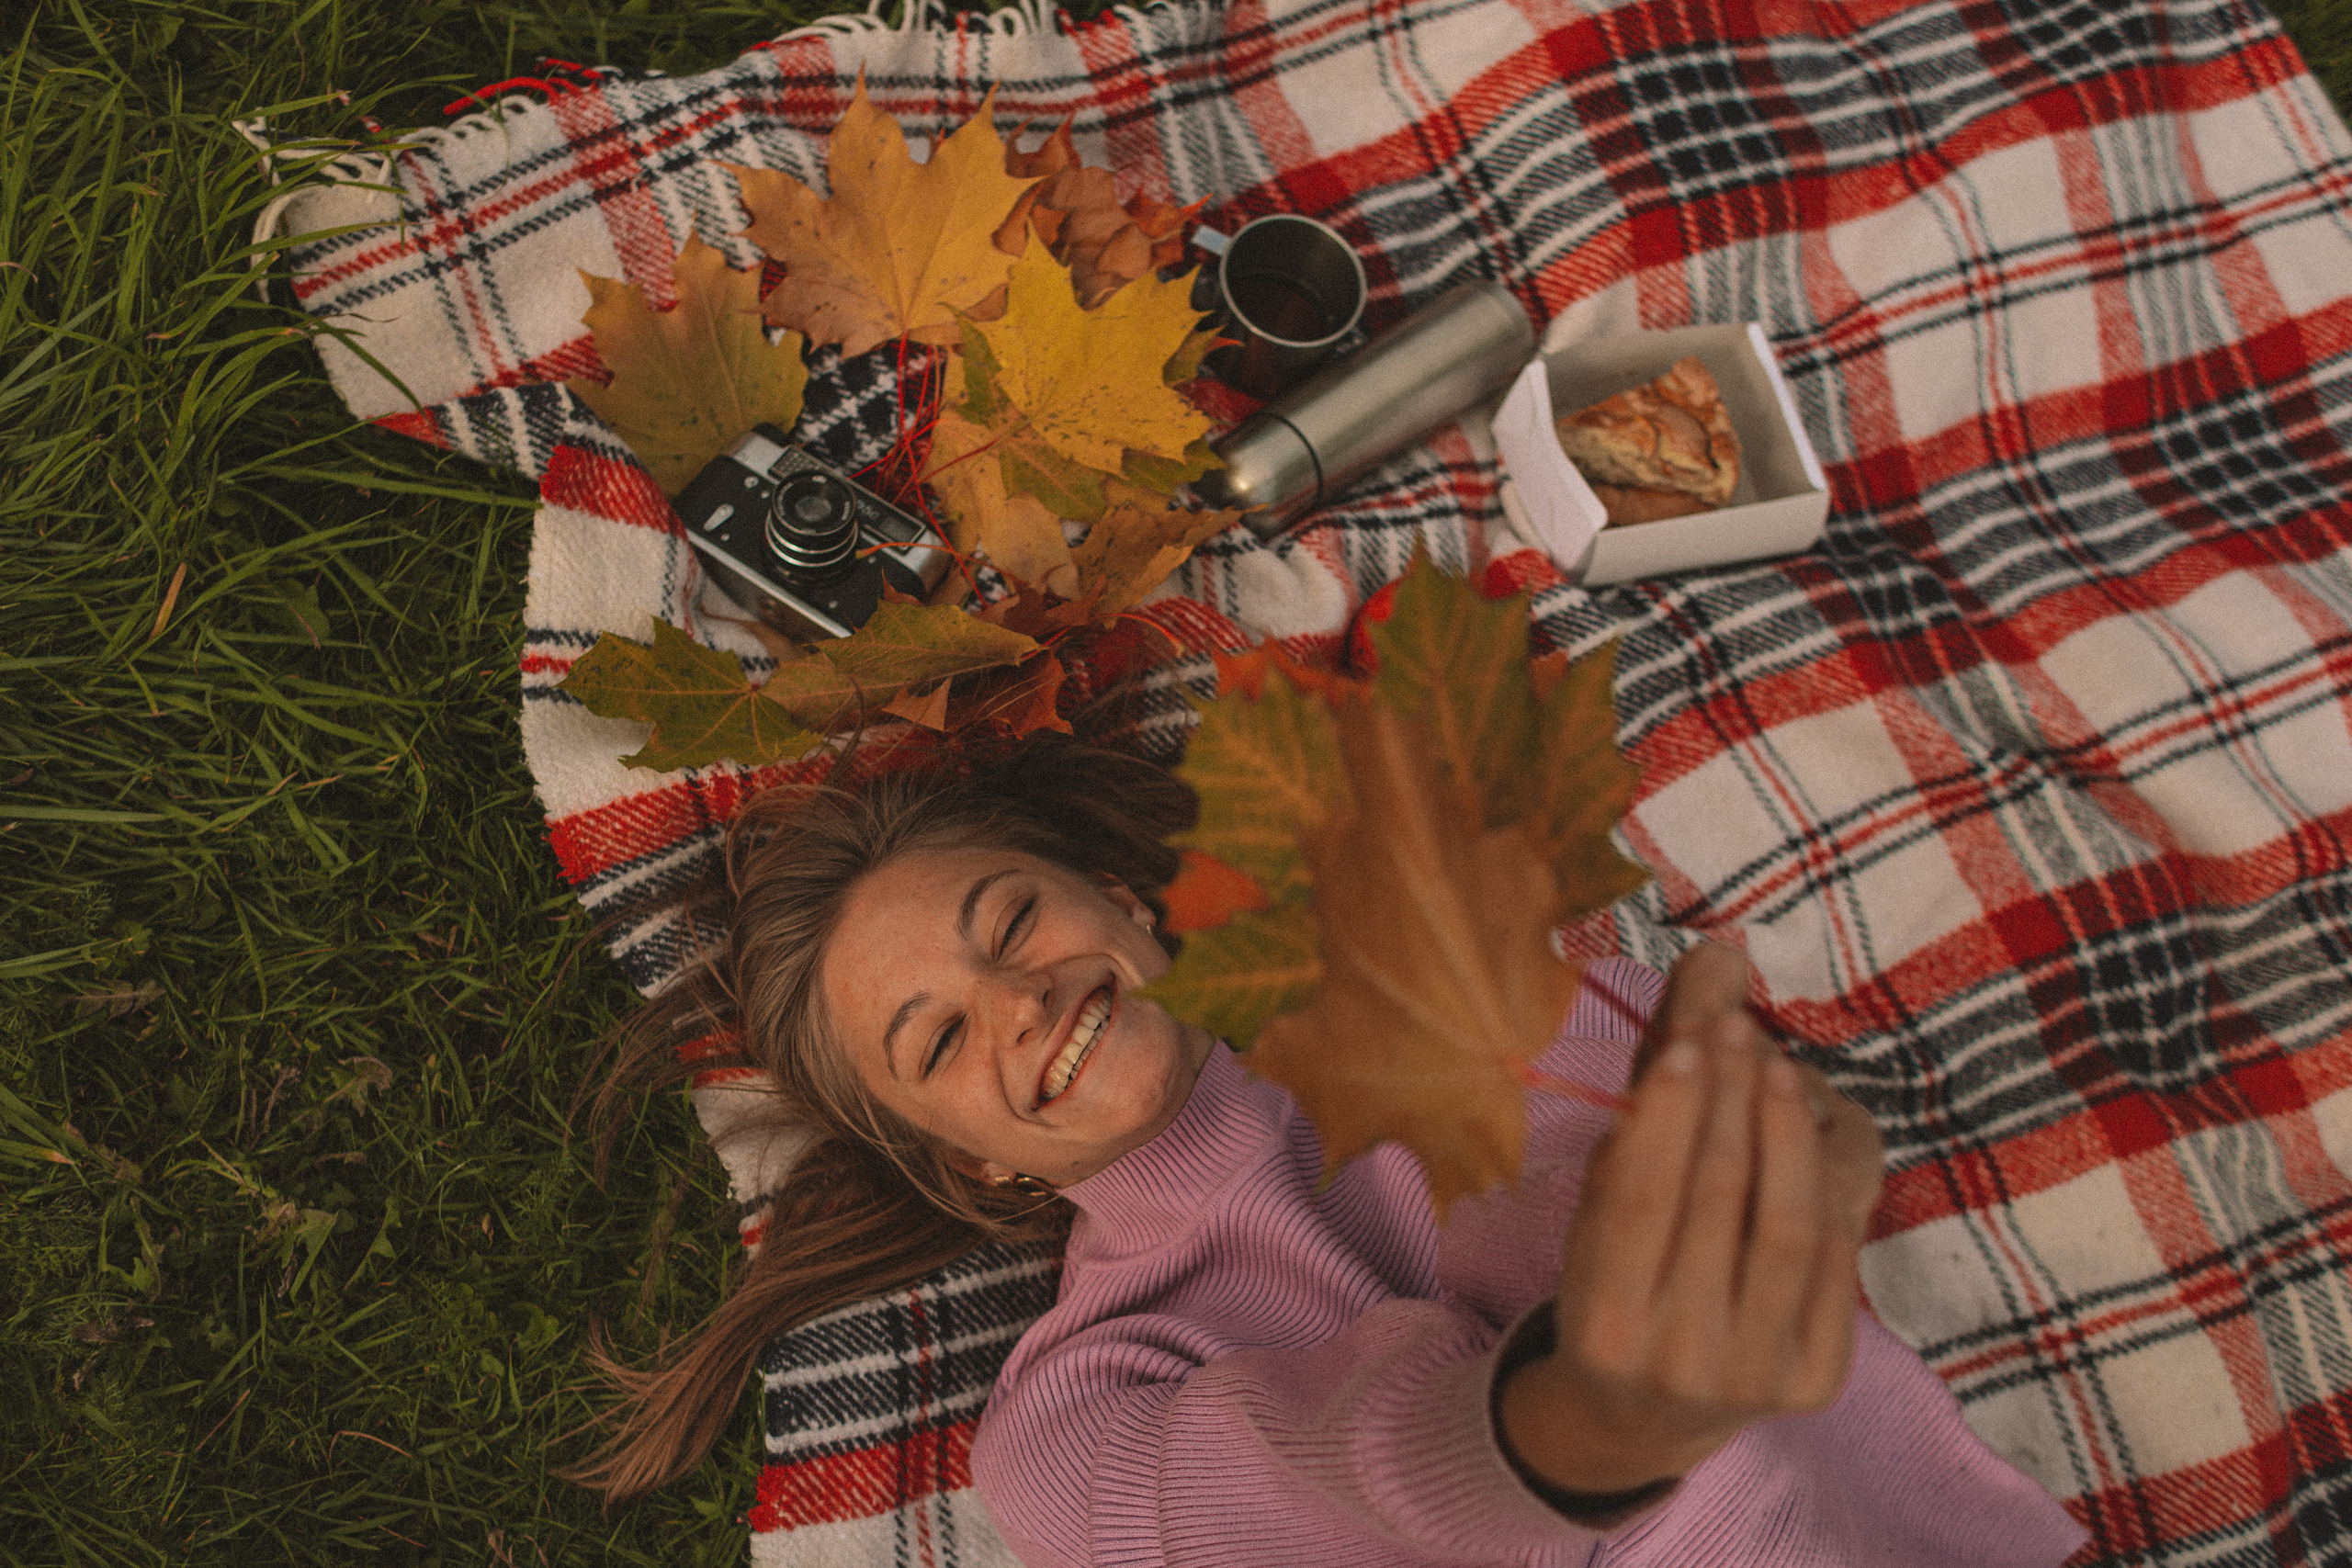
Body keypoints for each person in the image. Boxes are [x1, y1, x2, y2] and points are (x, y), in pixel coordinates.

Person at [570, 734, 2087, 1564]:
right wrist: (1579, 1425)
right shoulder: (1071, 1422)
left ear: (1124, 904)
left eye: (1013, 921)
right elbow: (1318, 1481)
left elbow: (1575, 1178)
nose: (1019, 1000)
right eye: (939, 1042)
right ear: (974, 1163)